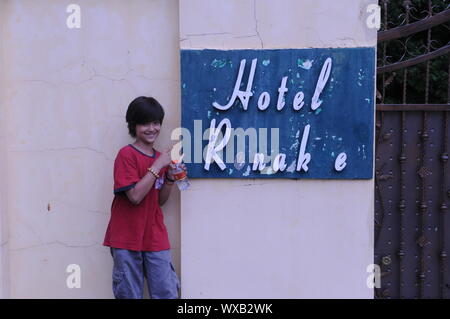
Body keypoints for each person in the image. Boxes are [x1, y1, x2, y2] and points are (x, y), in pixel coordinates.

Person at [103, 96, 182, 299]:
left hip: (155, 235)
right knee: (129, 294)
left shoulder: (160, 158)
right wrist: (157, 167)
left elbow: (159, 201)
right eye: (145, 123)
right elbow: (135, 196)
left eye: (156, 123)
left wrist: (170, 180)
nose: (151, 128)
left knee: (166, 291)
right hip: (126, 237)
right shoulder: (126, 155)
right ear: (133, 125)